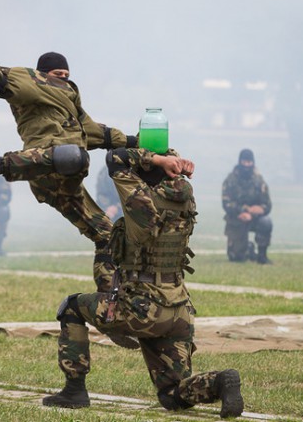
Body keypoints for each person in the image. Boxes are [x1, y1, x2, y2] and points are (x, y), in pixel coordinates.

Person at [42, 147, 244, 419]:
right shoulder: (185, 199)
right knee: (172, 395)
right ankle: (220, 382)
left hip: (144, 310)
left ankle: (74, 390)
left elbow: (116, 158)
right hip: (179, 310)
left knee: (72, 307)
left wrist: (158, 159)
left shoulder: (142, 202)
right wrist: (171, 160)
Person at [0, 45, 137, 293]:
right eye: (57, 73)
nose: (63, 78)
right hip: (42, 165)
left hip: (65, 183)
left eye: (66, 74)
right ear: (43, 73)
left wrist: (134, 141)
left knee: (108, 236)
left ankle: (109, 298)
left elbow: (96, 133)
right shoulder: (32, 84)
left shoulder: (72, 108)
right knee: (74, 155)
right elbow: (0, 79)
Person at [221, 149, 273, 264]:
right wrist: (242, 211)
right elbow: (226, 203)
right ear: (240, 162)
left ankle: (262, 255)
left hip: (255, 218)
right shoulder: (230, 180)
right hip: (236, 218)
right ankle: (247, 249)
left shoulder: (259, 180)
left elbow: (267, 204)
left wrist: (261, 209)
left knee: (266, 222)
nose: (247, 165)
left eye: (249, 162)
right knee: (236, 258)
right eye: (244, 161)